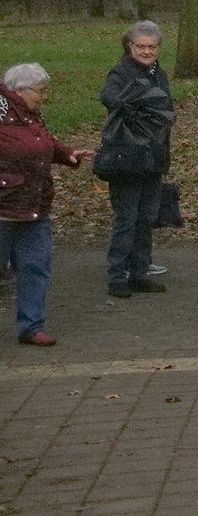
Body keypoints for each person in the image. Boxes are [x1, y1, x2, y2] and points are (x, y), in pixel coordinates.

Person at [0, 63, 93, 345]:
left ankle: (31, 326)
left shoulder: (29, 115)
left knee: (35, 266)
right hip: (4, 208)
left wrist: (67, 154)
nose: (43, 96)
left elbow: (43, 142)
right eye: (40, 91)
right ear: (20, 90)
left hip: (35, 203)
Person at [96, 20, 175, 298]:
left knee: (147, 218)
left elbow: (167, 109)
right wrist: (144, 105)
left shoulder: (159, 73)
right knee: (127, 218)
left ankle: (140, 272)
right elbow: (110, 98)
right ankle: (118, 276)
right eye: (141, 46)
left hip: (153, 157)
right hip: (125, 158)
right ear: (130, 46)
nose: (146, 51)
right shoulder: (120, 72)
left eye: (152, 47)